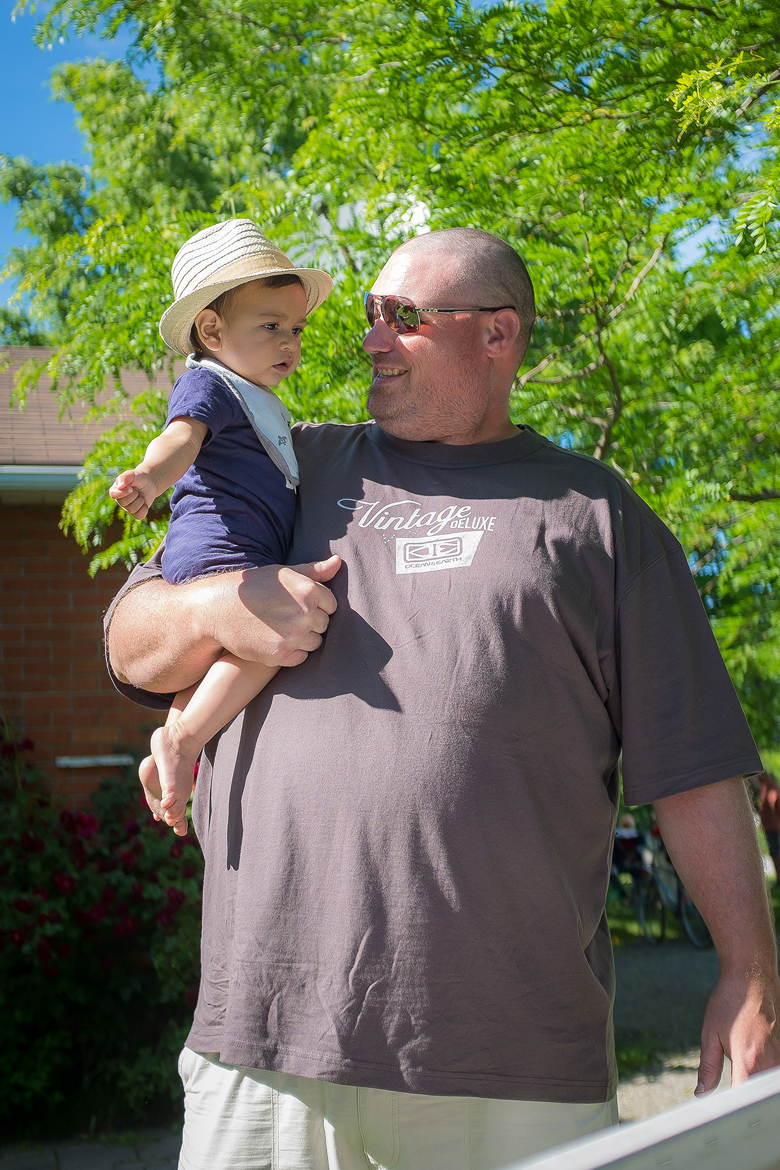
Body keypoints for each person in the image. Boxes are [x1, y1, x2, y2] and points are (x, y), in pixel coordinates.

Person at [105, 227, 780, 1170]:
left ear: (497, 334)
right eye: (369, 314)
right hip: (265, 1043)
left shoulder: (596, 515)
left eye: (403, 316)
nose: (370, 338)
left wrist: (750, 972)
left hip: (511, 1059)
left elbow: (695, 765)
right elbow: (132, 643)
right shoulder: (291, 463)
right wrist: (222, 605)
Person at [108, 220, 336, 836]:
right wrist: (150, 478)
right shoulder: (210, 383)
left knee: (217, 664)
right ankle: (184, 739)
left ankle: (170, 752)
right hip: (222, 545)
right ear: (211, 331)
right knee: (274, 642)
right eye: (271, 326)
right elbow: (179, 439)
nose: (289, 342)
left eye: (296, 329)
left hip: (235, 548)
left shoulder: (255, 396)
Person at [758, 771, 780, 887]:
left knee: (775, 853)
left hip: (773, 827)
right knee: (774, 853)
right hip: (770, 827)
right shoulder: (766, 786)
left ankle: (779, 880)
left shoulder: (770, 786)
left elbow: (776, 803)